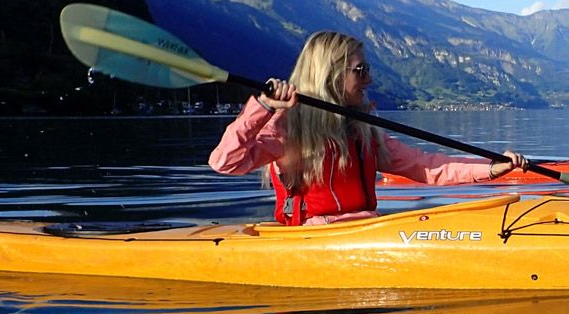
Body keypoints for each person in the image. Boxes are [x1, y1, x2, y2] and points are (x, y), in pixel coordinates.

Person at [210, 31, 527, 225]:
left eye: (368, 70)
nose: (369, 80)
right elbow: (225, 162)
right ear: (330, 75)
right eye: (360, 71)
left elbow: (426, 166)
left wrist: (490, 169)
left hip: (367, 230)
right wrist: (263, 108)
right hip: (316, 242)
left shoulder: (364, 129)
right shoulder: (287, 129)